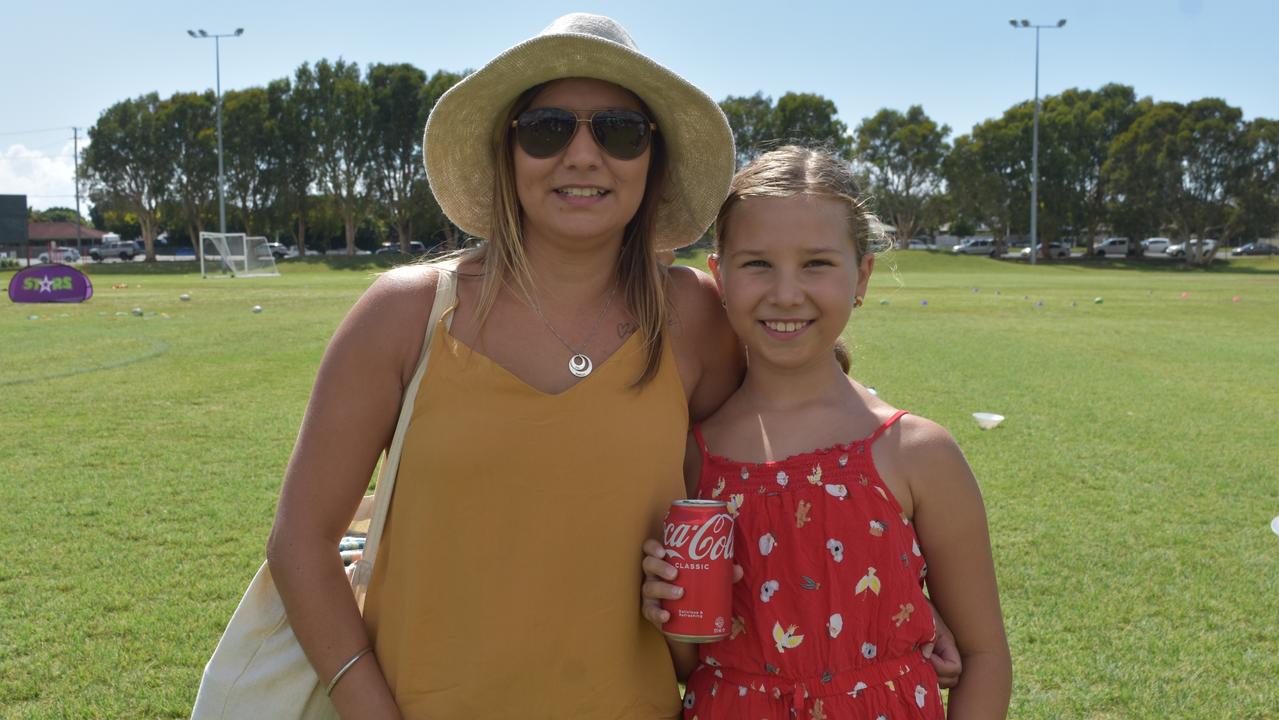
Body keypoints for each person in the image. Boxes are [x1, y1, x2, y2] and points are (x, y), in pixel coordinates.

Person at [639, 147, 1011, 718]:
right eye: (757, 263)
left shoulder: (917, 452)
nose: (786, 293)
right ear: (719, 276)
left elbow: (984, 655)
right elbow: (694, 668)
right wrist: (669, 614)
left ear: (861, 276)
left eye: (816, 263)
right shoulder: (691, 458)